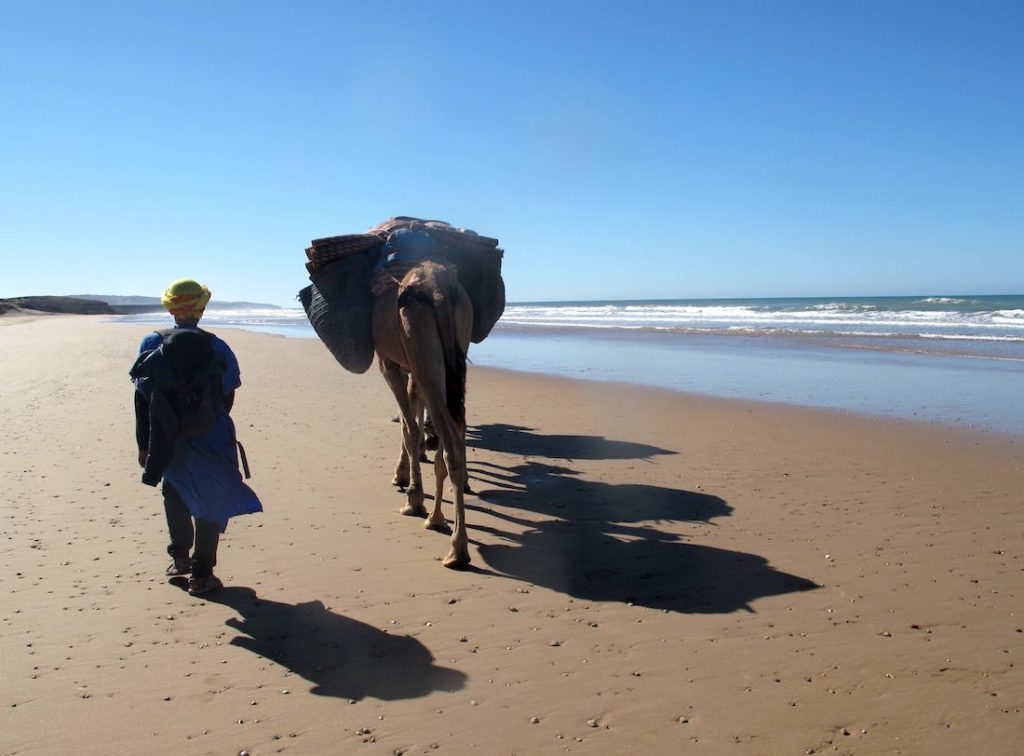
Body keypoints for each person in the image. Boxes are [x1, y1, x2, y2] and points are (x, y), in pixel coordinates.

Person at [132, 278, 262, 596]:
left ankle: (179, 558)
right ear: (201, 308)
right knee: (211, 500)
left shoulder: (151, 342)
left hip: (167, 433)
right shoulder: (217, 346)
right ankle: (202, 575)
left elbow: (142, 398)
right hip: (212, 433)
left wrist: (144, 444)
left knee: (174, 491)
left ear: (170, 308)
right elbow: (228, 394)